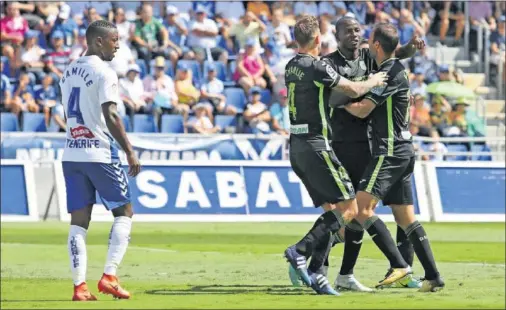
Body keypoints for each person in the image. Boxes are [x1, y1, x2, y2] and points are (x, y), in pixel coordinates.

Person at [290, 16, 426, 292]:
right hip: (339, 143)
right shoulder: (326, 64)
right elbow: (334, 98)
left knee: (357, 212)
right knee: (343, 211)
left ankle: (346, 274)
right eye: (348, 31)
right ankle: (318, 266)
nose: (354, 34)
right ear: (336, 37)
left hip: (367, 144)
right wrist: (364, 89)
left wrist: (412, 47)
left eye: (357, 30)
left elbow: (397, 54)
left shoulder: (368, 57)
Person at [282, 14, 388, 296]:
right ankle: (299, 251)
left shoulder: (290, 66)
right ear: (318, 39)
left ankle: (317, 274)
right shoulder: (316, 67)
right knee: (350, 209)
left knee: (333, 214)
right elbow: (352, 89)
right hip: (316, 144)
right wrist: (374, 80)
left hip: (296, 146)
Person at [342, 22, 444, 292]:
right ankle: (433, 276)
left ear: (376, 45)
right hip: (403, 150)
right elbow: (398, 53)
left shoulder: (388, 72)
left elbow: (363, 110)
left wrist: (339, 102)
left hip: (389, 151)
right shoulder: (394, 67)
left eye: (370, 38)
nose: (365, 41)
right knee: (405, 217)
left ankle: (399, 265)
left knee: (361, 210)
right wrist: (410, 47)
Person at [59, 20, 141, 301]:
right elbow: (112, 115)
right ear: (97, 41)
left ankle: (79, 287)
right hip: (100, 153)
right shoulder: (104, 72)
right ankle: (109, 276)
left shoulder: (68, 70)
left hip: (72, 153)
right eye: (114, 40)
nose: (118, 46)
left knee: (79, 221)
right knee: (124, 212)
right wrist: (129, 150)